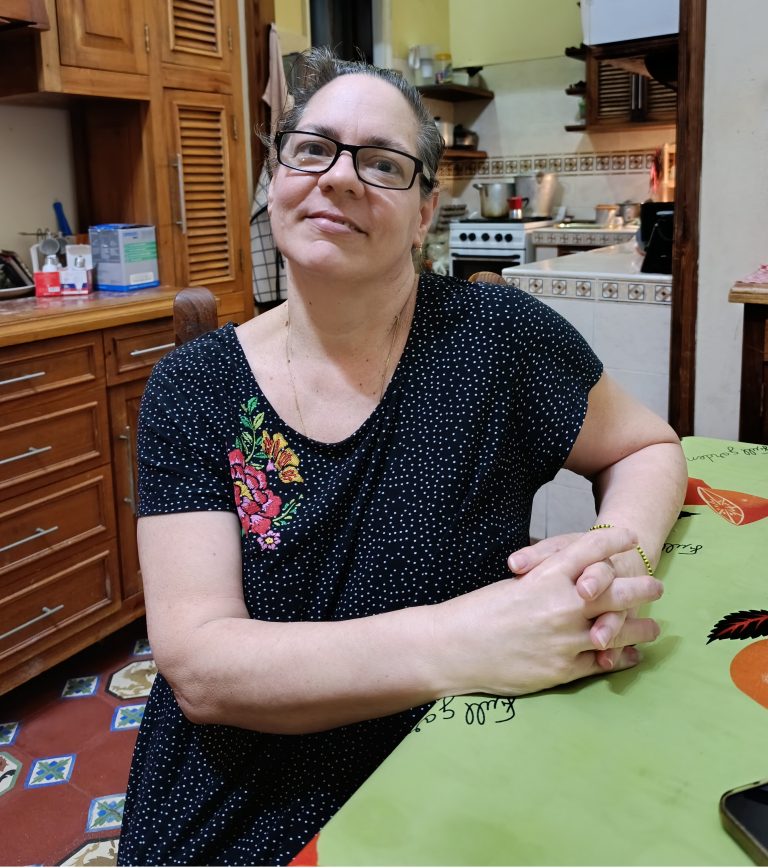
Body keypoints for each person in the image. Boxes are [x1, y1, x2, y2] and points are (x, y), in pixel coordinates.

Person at [117, 47, 687, 866]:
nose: (339, 178)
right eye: (312, 149)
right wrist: (465, 640)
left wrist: (616, 549)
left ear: (424, 214)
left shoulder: (500, 341)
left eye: (382, 163)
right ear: (275, 180)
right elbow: (202, 669)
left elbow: (647, 446)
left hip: (452, 758)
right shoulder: (193, 388)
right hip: (242, 797)